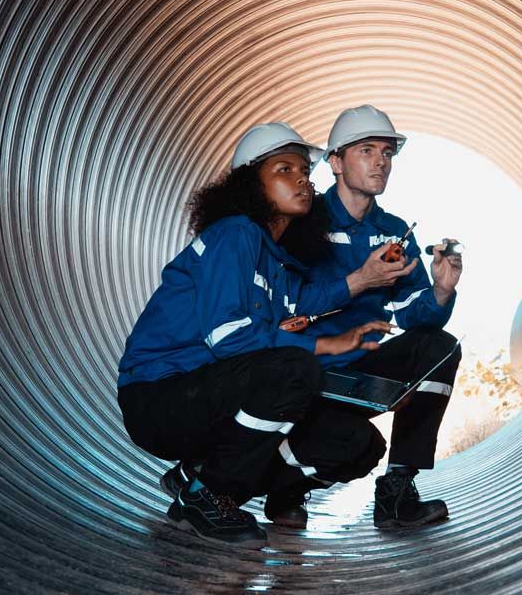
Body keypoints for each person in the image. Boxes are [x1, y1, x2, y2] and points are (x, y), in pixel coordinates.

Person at [115, 122, 418, 547]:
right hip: (161, 395)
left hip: (216, 400)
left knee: (358, 444)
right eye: (283, 170)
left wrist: (364, 278)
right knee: (295, 368)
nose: (302, 180)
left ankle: (198, 479)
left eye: (305, 173)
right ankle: (209, 496)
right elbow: (230, 338)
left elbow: (309, 300)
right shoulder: (235, 234)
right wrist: (325, 343)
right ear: (249, 186)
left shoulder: (277, 263)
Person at [282, 105, 464, 529]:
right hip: (305, 370)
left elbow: (412, 315)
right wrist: (360, 279)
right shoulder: (302, 220)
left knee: (439, 348)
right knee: (354, 446)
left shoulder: (394, 229)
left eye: (386, 152)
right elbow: (287, 307)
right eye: (366, 150)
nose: (380, 160)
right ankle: (284, 488)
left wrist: (440, 289)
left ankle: (398, 491)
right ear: (335, 162)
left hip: (360, 372)